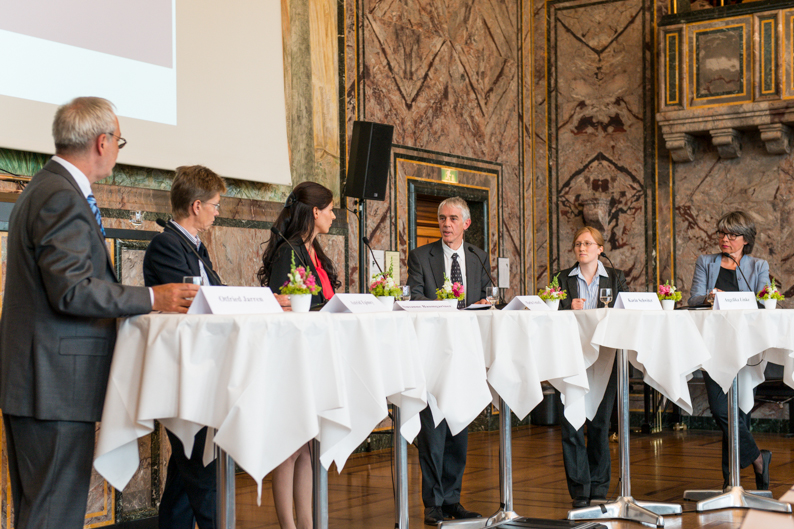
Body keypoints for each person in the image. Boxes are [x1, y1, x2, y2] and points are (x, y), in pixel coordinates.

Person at [0, 96, 196, 529]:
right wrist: (152, 298)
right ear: (103, 142)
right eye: (120, 141)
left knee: (43, 511)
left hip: (44, 383)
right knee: (53, 513)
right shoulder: (60, 196)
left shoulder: (47, 187)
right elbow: (71, 291)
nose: (117, 150)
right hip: (52, 385)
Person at [143, 165, 228, 529]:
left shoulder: (195, 246)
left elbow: (218, 296)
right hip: (185, 373)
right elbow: (193, 305)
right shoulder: (166, 246)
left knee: (185, 471)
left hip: (204, 367)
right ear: (196, 206)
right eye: (215, 204)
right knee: (201, 470)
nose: (217, 211)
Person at [256, 181, 340, 529]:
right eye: (331, 209)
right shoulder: (289, 251)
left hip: (316, 357)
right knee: (287, 448)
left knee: (307, 445)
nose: (334, 216)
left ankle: (307, 524)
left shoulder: (314, 251)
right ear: (315, 212)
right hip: (291, 360)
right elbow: (283, 308)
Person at [406, 196, 489, 526]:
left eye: (453, 218)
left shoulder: (478, 257)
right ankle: (433, 504)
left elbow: (486, 296)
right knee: (433, 430)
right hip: (433, 354)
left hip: (466, 353)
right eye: (442, 218)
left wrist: (482, 302)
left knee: (459, 427)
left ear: (466, 223)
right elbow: (415, 297)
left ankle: (453, 498)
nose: (446, 224)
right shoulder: (420, 256)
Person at [688, 210, 772, 490]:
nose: (724, 239)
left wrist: (739, 299)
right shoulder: (706, 262)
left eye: (731, 235)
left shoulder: (758, 266)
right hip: (712, 345)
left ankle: (730, 481)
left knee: (740, 411)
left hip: (745, 345)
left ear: (745, 240)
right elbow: (694, 299)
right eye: (722, 233)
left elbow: (764, 302)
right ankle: (759, 458)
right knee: (721, 409)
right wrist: (710, 296)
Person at [553, 226, 628, 509]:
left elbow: (627, 314)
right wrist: (565, 309)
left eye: (587, 244)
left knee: (599, 423)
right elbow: (549, 313)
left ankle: (598, 486)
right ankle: (579, 489)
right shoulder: (562, 279)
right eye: (577, 244)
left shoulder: (616, 278)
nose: (581, 248)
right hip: (571, 357)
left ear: (600, 249)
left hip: (605, 358)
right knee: (572, 422)